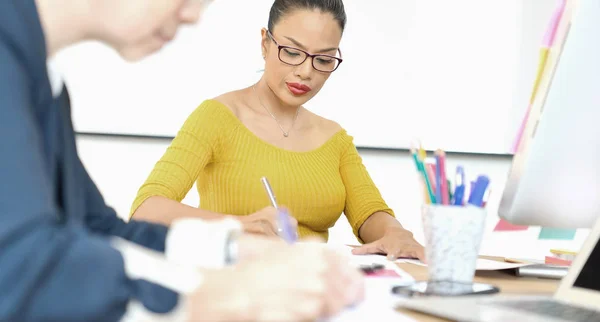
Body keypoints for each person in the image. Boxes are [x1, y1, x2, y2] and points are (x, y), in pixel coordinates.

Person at [0, 0, 364, 321]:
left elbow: (99, 228)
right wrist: (215, 298)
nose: (192, 15)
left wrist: (233, 247)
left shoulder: (44, 78)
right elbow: (23, 268)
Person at [130, 0, 426, 261]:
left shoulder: (335, 138)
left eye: (323, 59)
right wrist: (236, 224)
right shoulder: (218, 117)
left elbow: (369, 212)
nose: (306, 72)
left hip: (312, 290)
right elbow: (146, 209)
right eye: (292, 52)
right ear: (265, 43)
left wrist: (394, 232)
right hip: (236, 285)